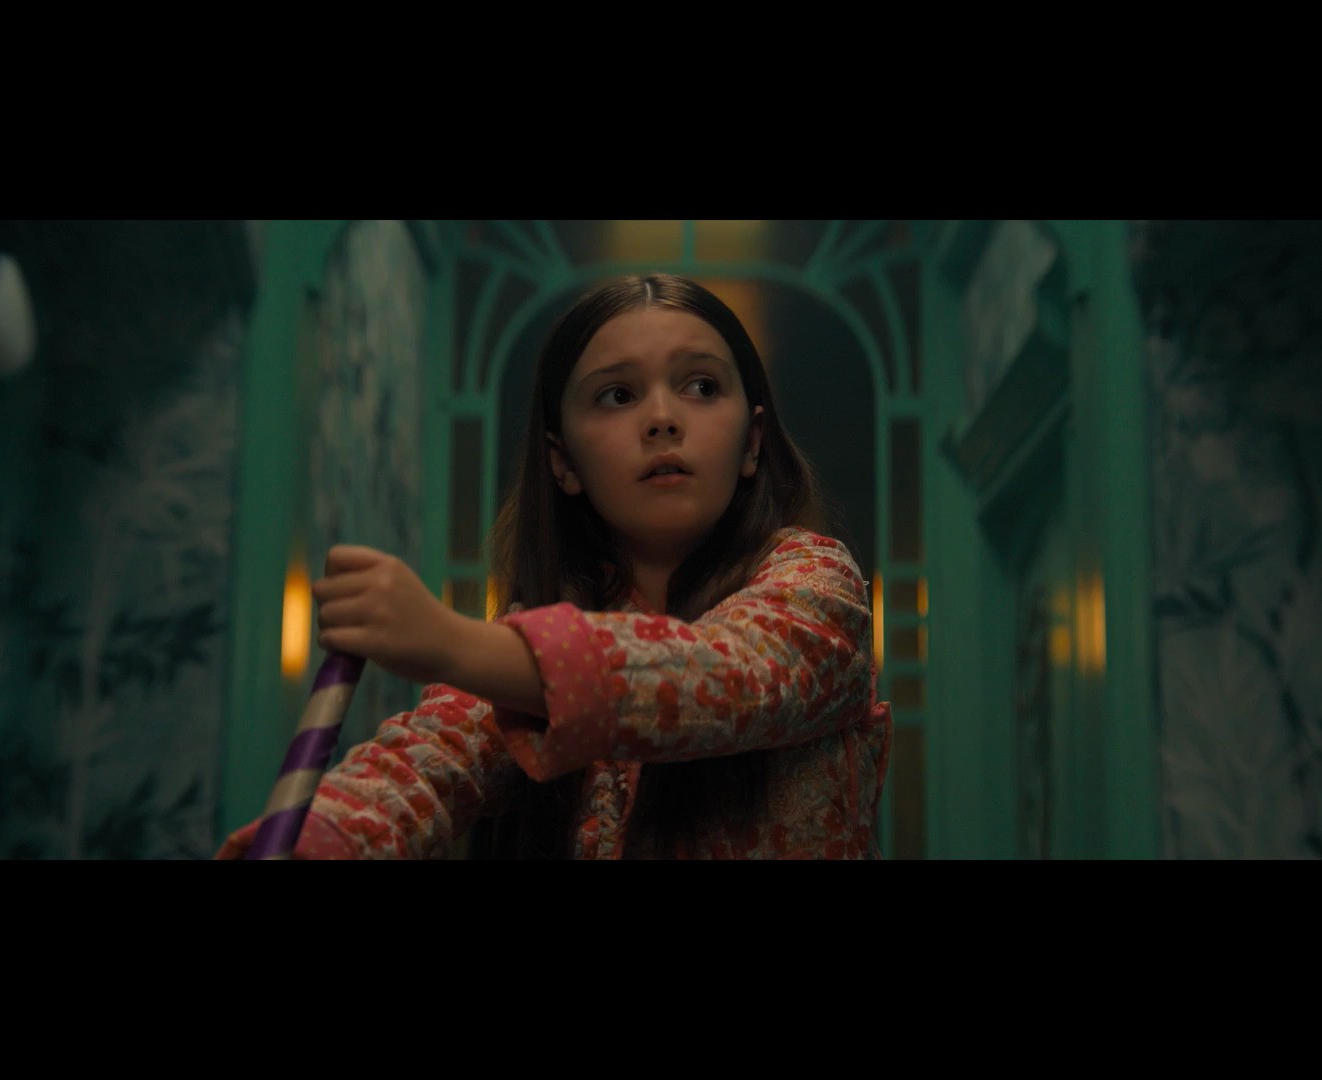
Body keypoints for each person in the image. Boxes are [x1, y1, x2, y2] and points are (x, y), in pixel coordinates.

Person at [217, 274, 890, 859]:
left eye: (701, 386)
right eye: (617, 396)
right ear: (563, 462)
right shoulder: (532, 633)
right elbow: (424, 766)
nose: (662, 418)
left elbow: (728, 674)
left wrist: (451, 642)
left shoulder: (817, 583)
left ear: (752, 442)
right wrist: (318, 840)